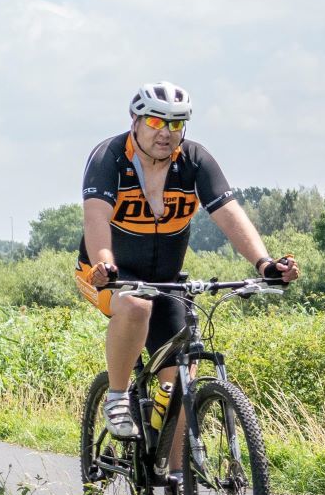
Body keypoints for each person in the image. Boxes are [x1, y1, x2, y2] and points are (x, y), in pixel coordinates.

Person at [78, 82, 298, 439]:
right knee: (135, 306)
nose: (165, 133)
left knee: (180, 385)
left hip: (166, 279)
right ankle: (117, 397)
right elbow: (96, 218)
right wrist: (104, 264)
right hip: (106, 273)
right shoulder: (110, 156)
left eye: (176, 124)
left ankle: (178, 482)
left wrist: (265, 264)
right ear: (135, 120)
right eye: (155, 123)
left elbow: (229, 215)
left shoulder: (195, 160)